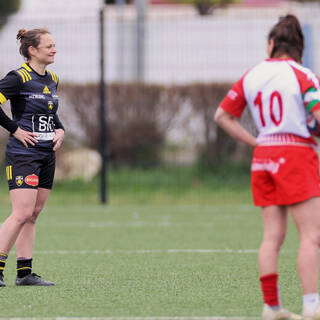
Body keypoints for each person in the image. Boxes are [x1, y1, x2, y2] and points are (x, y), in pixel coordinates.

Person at [214, 15, 320, 320]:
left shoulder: (252, 74)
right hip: (296, 153)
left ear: (272, 43)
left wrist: (255, 142)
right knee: (311, 236)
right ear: (299, 45)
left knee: (272, 237)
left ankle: (272, 307)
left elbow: (222, 115)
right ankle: (312, 305)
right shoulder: (304, 75)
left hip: (264, 157)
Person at [0, 28, 64, 287]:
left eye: (54, 44)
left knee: (33, 213)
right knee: (21, 212)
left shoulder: (53, 78)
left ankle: (24, 273)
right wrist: (15, 129)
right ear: (32, 50)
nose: (54, 49)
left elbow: (50, 113)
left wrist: (60, 129)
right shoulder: (18, 78)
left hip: (46, 154)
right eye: (48, 45)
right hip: (23, 154)